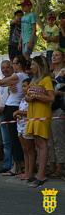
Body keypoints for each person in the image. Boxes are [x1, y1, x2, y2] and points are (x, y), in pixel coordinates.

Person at [0, 56, 28, 177]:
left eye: (14, 64)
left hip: (13, 108)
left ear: (19, 65)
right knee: (13, 138)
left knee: (15, 139)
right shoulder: (20, 77)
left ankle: (16, 167)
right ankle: (15, 166)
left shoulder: (19, 75)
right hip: (11, 107)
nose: (13, 66)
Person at [25, 55, 55, 187]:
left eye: (32, 64)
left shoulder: (47, 79)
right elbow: (28, 96)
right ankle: (38, 173)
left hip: (42, 115)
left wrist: (36, 96)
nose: (31, 67)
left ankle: (41, 175)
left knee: (42, 144)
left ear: (39, 65)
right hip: (32, 114)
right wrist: (28, 98)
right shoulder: (33, 80)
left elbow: (51, 98)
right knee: (37, 143)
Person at [48, 50, 65, 179]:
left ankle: (60, 167)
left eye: (57, 55)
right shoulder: (49, 74)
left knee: (58, 139)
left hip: (59, 109)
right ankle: (52, 166)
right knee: (49, 140)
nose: (54, 57)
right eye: (53, 55)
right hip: (47, 110)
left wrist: (59, 94)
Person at [13, 78, 34, 181]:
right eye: (23, 86)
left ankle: (30, 172)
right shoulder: (23, 98)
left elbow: (32, 113)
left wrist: (19, 113)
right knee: (25, 150)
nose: (23, 88)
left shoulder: (32, 98)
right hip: (20, 126)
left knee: (30, 150)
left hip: (28, 126)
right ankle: (26, 171)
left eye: (25, 86)